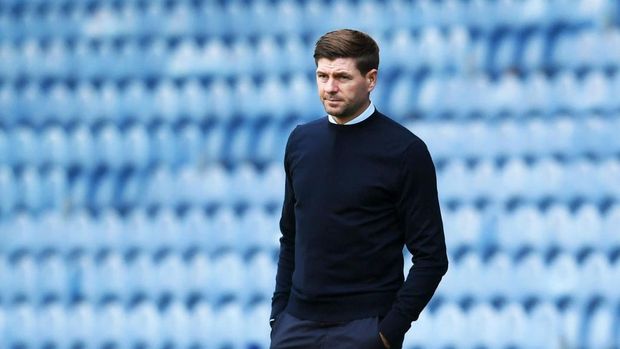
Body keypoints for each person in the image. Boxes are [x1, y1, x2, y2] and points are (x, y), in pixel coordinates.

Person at [269, 29, 448, 349]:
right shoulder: (300, 142)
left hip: (364, 329)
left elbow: (432, 258)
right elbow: (290, 236)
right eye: (322, 76)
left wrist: (388, 332)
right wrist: (279, 317)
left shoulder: (405, 152)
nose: (330, 87)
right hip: (295, 328)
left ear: (371, 79)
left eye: (342, 77)